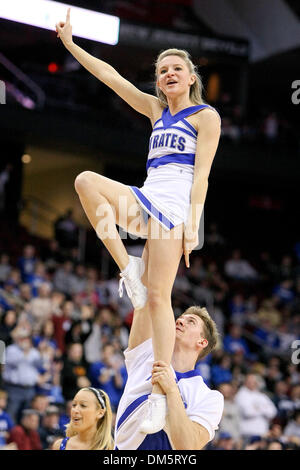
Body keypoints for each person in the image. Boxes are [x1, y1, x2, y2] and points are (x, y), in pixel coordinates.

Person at [56, 8, 221, 433]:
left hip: (174, 212)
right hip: (146, 198)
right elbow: (113, 78)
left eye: (176, 69)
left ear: (190, 78)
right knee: (86, 182)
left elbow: (201, 175)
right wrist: (72, 45)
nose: (167, 74)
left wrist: (192, 226)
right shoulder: (154, 109)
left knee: (157, 299)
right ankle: (127, 266)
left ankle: (157, 396)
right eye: (162, 69)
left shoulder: (206, 116)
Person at [114, 304, 224, 450]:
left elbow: (188, 447)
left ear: (202, 342)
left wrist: (172, 390)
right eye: (179, 318)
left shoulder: (209, 397)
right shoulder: (146, 356)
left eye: (191, 321)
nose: (179, 321)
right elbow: (145, 303)